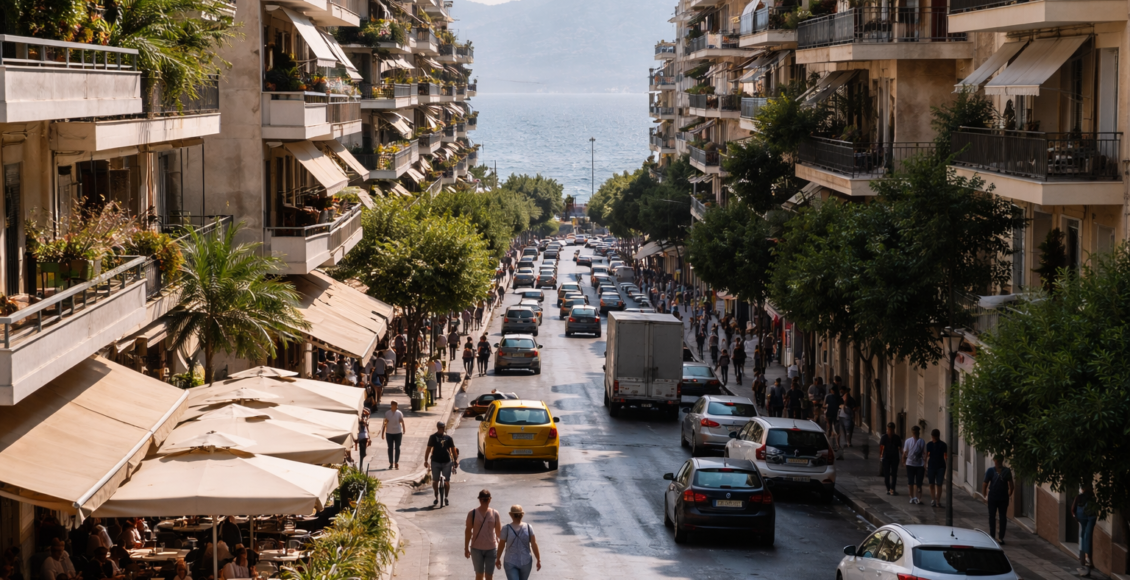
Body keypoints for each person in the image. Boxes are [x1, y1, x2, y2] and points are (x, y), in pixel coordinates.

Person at [496, 505, 541, 580]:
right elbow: (534, 544)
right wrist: (538, 559)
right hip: (526, 561)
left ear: (511, 515)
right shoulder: (529, 527)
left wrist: (498, 558)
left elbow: (501, 545)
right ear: (522, 514)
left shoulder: (506, 528)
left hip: (510, 561)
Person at [465, 490, 502, 580]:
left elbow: (468, 531)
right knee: (485, 576)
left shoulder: (473, 513)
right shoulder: (473, 513)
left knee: (480, 575)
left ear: (479, 500)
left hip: (485, 548)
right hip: (482, 549)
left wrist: (466, 548)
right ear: (490, 500)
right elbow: (499, 534)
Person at [981, 455, 1014, 544]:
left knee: (999, 517)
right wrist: (985, 496)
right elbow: (985, 484)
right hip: (996, 497)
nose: (997, 462)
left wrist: (1009, 495)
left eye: (999, 461)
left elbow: (1011, 485)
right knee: (996, 517)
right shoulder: (993, 471)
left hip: (999, 497)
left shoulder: (1004, 471)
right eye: (997, 461)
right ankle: (996, 537)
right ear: (995, 461)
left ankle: (997, 537)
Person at [424, 421, 456, 507]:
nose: (441, 430)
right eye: (440, 428)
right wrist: (426, 460)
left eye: (442, 428)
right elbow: (428, 449)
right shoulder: (433, 437)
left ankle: (446, 497)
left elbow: (453, 449)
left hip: (446, 461)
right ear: (437, 428)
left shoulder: (448, 438)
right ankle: (436, 496)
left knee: (447, 481)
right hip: (435, 461)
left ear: (444, 428)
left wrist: (455, 460)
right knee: (435, 480)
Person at [1072, 482, 1098, 576]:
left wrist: (1077, 519)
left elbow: (1073, 510)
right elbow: (1095, 511)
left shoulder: (1079, 497)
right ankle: (1087, 558)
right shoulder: (1092, 498)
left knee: (1083, 536)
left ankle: (1084, 559)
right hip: (1091, 518)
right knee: (1088, 537)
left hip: (1082, 519)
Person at [902, 425, 926, 505]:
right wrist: (904, 460)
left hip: (919, 465)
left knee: (919, 482)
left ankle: (918, 498)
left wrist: (925, 464)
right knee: (910, 481)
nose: (915, 433)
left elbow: (924, 453)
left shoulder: (922, 441)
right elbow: (905, 452)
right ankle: (911, 497)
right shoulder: (908, 441)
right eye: (914, 432)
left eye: (916, 432)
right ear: (912, 432)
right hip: (910, 464)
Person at [924, 428, 948, 508]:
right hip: (932, 465)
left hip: (940, 466)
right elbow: (927, 455)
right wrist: (925, 464)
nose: (933, 438)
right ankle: (933, 499)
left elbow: (945, 456)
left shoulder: (943, 445)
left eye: (935, 437)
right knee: (932, 483)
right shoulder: (929, 445)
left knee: (939, 484)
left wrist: (946, 464)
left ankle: (937, 500)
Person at [380, 401, 406, 470]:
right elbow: (385, 423)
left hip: (398, 432)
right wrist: (382, 433)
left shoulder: (399, 413)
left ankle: (396, 462)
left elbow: (402, 421)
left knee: (397, 447)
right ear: (392, 405)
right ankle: (391, 463)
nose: (396, 407)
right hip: (389, 433)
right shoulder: (387, 413)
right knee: (390, 448)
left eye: (397, 405)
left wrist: (404, 429)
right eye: (395, 405)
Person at [879, 423, 902, 496]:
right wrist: (881, 456)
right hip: (886, 457)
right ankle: (888, 488)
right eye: (889, 429)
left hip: (894, 458)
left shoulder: (897, 438)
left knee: (894, 474)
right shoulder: (884, 437)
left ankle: (892, 489)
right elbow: (882, 447)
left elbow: (900, 448)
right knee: (887, 474)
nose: (890, 431)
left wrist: (902, 456)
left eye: (891, 430)